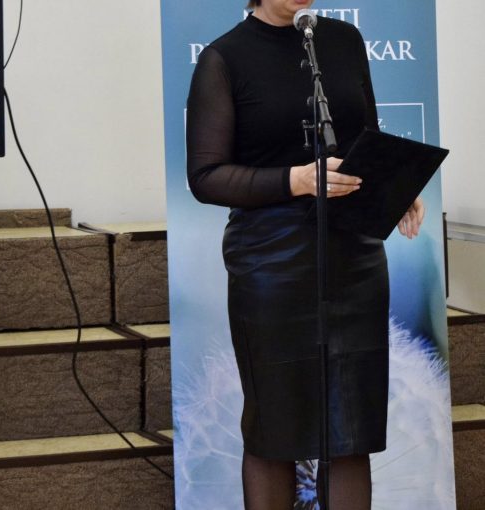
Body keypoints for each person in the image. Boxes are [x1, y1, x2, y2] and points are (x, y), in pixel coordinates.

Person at [186, 1, 425, 509]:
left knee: (351, 429)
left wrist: (396, 185)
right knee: (276, 427)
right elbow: (206, 177)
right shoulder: (224, 59)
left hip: (353, 255)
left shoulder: (342, 41)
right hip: (270, 263)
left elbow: (366, 140)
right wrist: (295, 180)